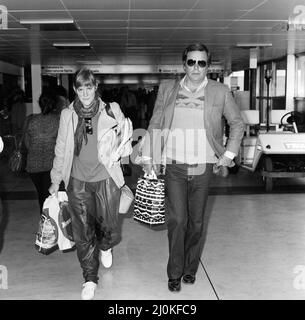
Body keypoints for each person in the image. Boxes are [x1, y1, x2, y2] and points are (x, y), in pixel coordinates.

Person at [140, 43, 245, 293]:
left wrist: (228, 154)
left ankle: (190, 268)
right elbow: (155, 123)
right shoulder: (167, 89)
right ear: (183, 63)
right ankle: (174, 272)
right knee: (178, 220)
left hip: (204, 165)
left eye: (202, 63)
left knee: (196, 222)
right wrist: (149, 156)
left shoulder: (220, 91)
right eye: (191, 62)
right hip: (174, 163)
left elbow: (237, 123)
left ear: (208, 65)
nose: (196, 67)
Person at [48, 68, 132, 300]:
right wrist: (56, 180)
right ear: (75, 89)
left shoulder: (111, 109)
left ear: (96, 87)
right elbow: (61, 149)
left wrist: (123, 150)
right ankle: (89, 278)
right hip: (77, 181)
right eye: (80, 87)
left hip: (106, 179)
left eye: (89, 86)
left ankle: (106, 246)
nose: (85, 92)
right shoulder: (68, 114)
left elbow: (125, 139)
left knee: (109, 228)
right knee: (83, 231)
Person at [24, 90, 60, 214]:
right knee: (49, 195)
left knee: (41, 195)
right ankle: (48, 222)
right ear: (54, 104)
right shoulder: (58, 120)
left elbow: (27, 143)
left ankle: (44, 219)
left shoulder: (31, 120)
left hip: (33, 165)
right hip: (51, 165)